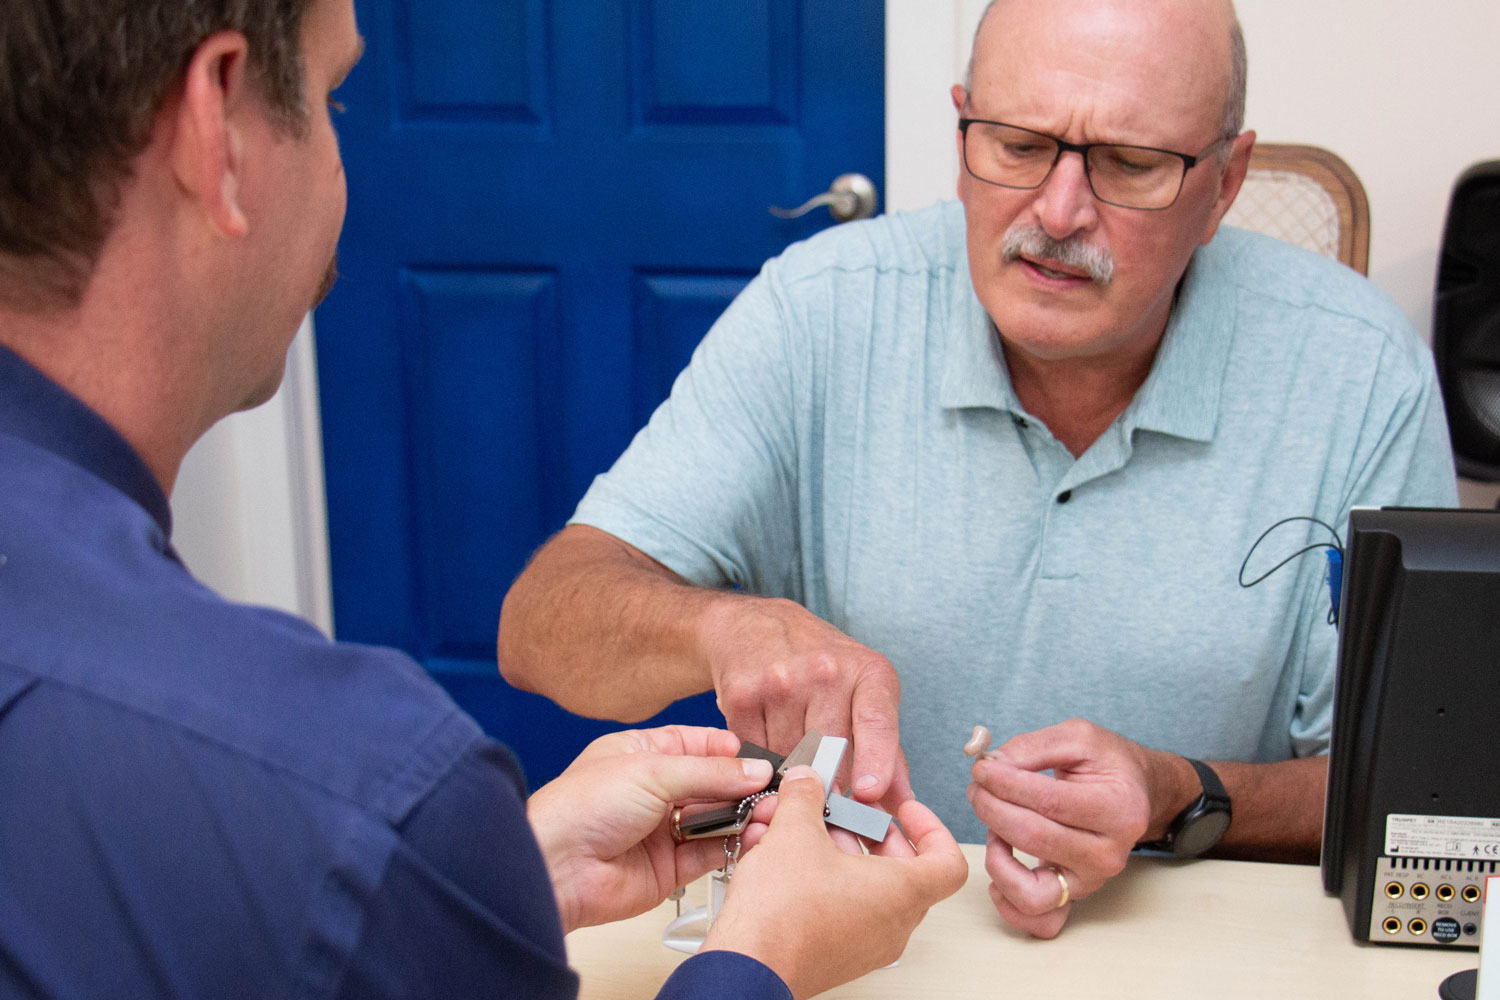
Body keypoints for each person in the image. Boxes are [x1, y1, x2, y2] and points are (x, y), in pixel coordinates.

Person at [0, 0, 969, 996]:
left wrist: (502, 873)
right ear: (218, 130)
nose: (346, 168)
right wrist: (760, 958)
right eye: (335, 100)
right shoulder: (365, 795)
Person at [497, 0, 1459, 940]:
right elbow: (542, 627)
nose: (1058, 210)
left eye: (1131, 163)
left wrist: (1185, 796)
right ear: (962, 132)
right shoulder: (820, 310)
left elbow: (1424, 784)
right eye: (1017, 144)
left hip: (1193, 943)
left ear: (1226, 183)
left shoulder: (1359, 368)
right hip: (843, 944)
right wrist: (723, 625)